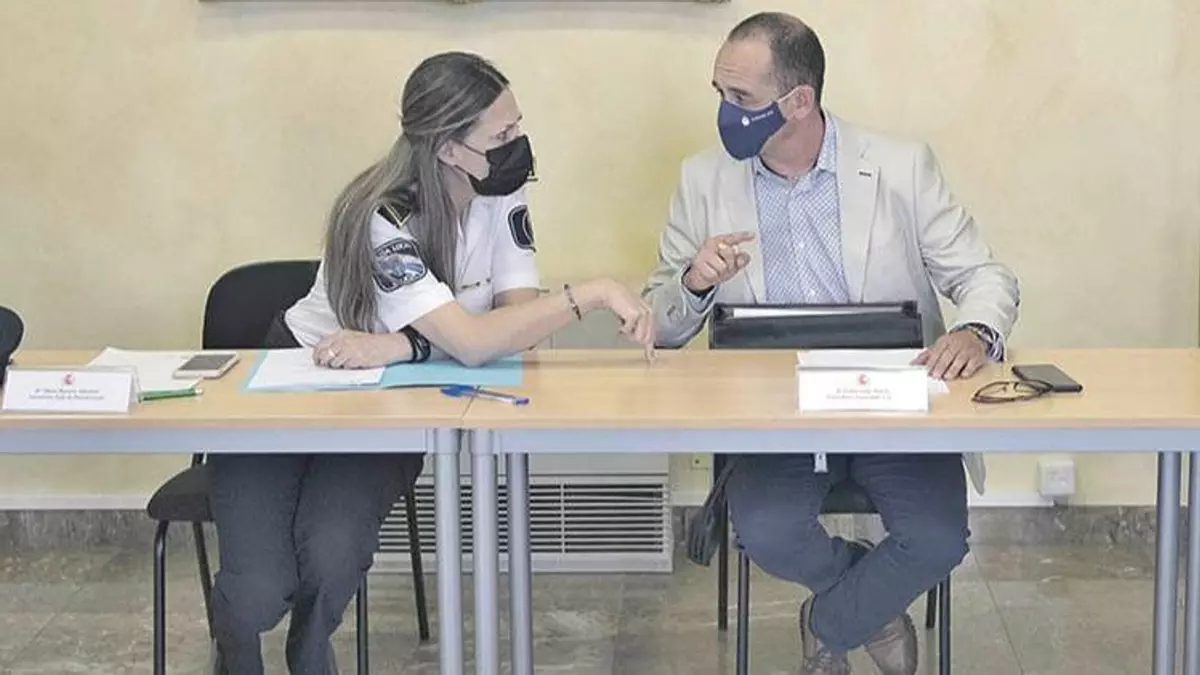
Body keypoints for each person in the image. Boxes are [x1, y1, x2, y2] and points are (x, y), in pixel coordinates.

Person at [209, 51, 654, 675]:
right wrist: (594, 293)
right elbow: (477, 343)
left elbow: (517, 328)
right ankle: (234, 653)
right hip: (297, 379)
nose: (518, 145)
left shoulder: (501, 191)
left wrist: (403, 346)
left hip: (390, 396)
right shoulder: (383, 216)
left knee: (333, 554)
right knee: (259, 587)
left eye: (518, 126)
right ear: (448, 148)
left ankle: (309, 650)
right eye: (501, 135)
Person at [643, 13, 1018, 675]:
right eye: (719, 93)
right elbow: (660, 324)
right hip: (772, 409)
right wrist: (695, 282)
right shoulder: (703, 180)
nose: (725, 112)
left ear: (800, 100)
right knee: (766, 529)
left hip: (893, 398)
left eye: (741, 98)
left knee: (937, 540)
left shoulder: (900, 166)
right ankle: (873, 606)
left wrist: (975, 329)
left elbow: (985, 275)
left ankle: (829, 620)